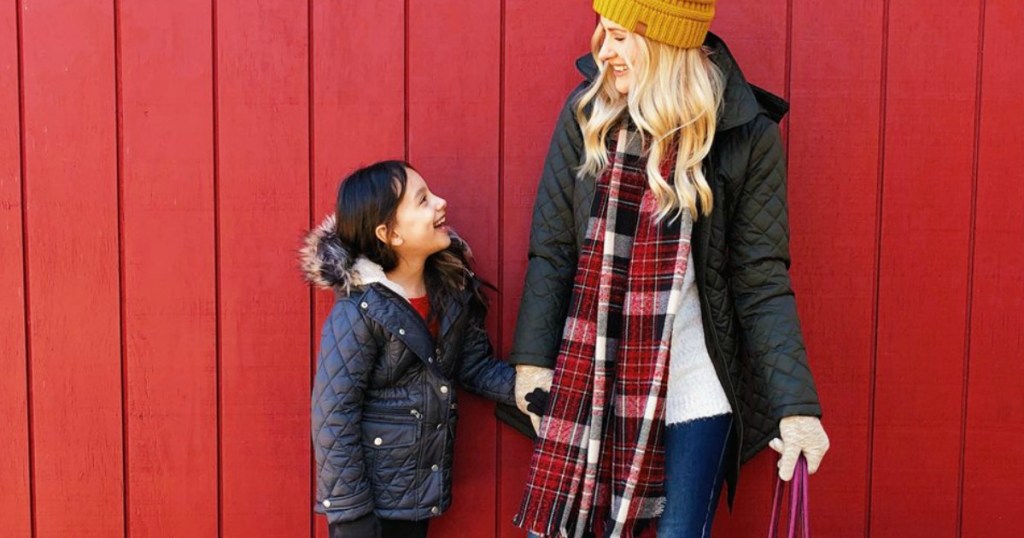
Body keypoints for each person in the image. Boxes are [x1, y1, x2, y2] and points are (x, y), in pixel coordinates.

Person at [509, 1, 830, 537]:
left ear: (660, 40)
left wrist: (796, 408)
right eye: (602, 33)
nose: (602, 51)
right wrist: (533, 364)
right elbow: (554, 248)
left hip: (697, 383)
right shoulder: (589, 114)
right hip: (598, 373)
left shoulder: (744, 134)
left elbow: (761, 279)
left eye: (618, 36)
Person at [302, 160, 516, 538]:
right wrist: (351, 515)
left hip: (417, 490)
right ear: (390, 234)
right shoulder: (360, 310)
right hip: (368, 506)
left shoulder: (451, 293)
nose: (441, 202)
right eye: (423, 200)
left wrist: (530, 390)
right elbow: (334, 414)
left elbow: (473, 366)